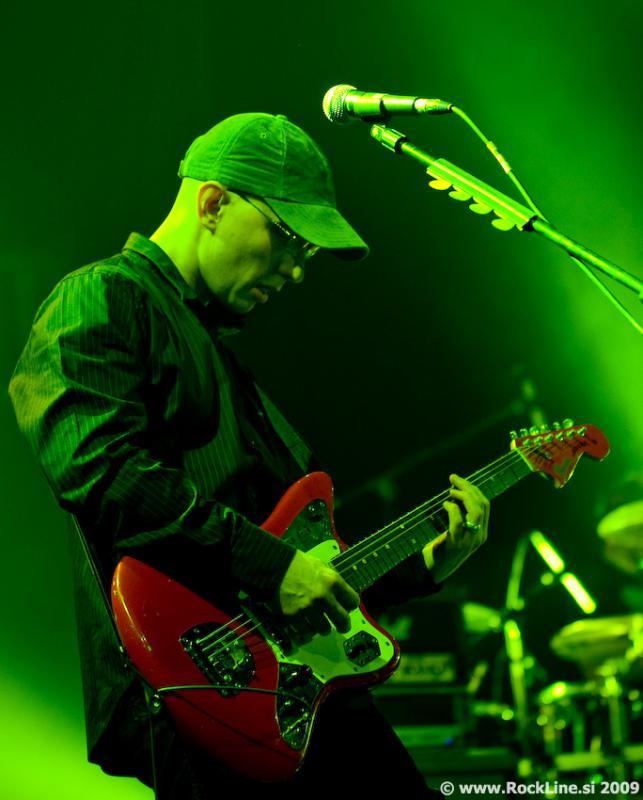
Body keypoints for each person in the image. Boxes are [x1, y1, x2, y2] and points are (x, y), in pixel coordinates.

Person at [8, 112, 489, 798]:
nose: (296, 270)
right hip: (199, 685)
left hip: (285, 688)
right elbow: (102, 472)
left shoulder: (215, 349)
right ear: (212, 203)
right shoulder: (102, 297)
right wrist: (271, 565)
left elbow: (298, 566)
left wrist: (423, 566)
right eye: (288, 239)